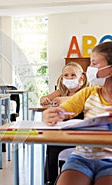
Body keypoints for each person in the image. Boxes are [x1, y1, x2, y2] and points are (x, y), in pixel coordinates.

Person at [43, 41, 112, 185]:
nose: (89, 69)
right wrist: (55, 113)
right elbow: (66, 108)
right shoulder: (89, 93)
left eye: (94, 63)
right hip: (81, 158)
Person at [41, 62, 90, 185]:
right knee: (51, 146)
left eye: (73, 75)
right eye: (66, 75)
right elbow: (43, 99)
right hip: (62, 132)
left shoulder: (87, 92)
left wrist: (65, 100)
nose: (69, 78)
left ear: (81, 78)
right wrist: (45, 99)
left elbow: (82, 100)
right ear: (62, 78)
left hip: (82, 134)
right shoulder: (60, 92)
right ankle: (50, 181)